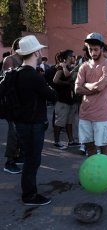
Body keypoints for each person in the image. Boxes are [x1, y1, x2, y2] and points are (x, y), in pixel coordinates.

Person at [14, 35, 57, 205]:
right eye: (39, 49)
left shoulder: (16, 73)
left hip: (21, 123)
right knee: (32, 160)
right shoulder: (33, 76)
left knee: (29, 158)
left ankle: (28, 190)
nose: (41, 51)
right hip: (33, 125)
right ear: (36, 52)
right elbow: (53, 95)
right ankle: (29, 195)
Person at [75, 32, 107, 155]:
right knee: (89, 146)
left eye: (96, 49)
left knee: (103, 146)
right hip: (85, 113)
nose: (93, 53)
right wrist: (92, 86)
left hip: (102, 114)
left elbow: (100, 87)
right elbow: (77, 89)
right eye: (90, 49)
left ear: (102, 48)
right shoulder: (84, 67)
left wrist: (86, 84)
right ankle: (94, 173)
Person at [2, 37, 24, 174]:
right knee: (14, 133)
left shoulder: (23, 60)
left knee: (20, 132)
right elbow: (9, 81)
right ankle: (9, 162)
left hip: (21, 102)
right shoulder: (9, 59)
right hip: (12, 103)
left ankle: (17, 156)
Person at [53, 49, 79, 149]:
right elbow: (55, 80)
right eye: (73, 56)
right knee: (59, 122)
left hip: (70, 100)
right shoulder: (61, 67)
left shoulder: (68, 67)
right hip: (62, 100)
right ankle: (56, 141)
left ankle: (71, 141)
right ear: (68, 57)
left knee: (69, 122)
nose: (74, 58)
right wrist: (67, 83)